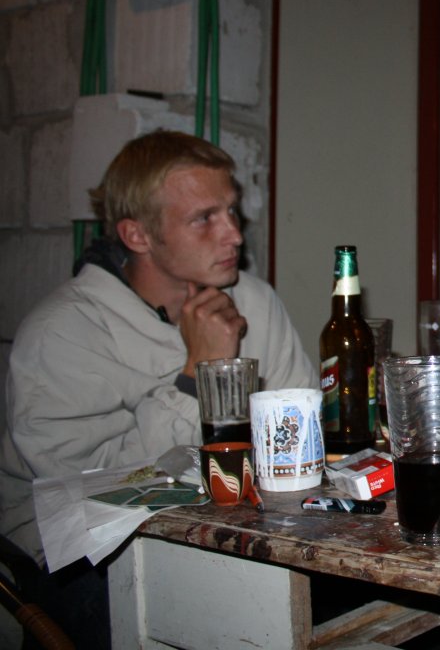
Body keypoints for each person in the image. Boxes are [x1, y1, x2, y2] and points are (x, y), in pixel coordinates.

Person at [0, 130, 316, 641]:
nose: (234, 235)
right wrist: (197, 374)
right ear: (137, 235)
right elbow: (94, 494)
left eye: (231, 211)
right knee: (228, 621)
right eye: (204, 218)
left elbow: (298, 434)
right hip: (78, 557)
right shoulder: (62, 331)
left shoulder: (254, 301)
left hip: (225, 526)